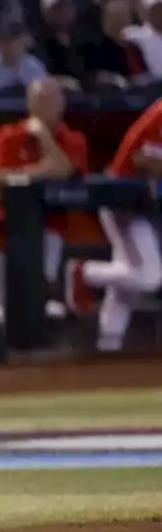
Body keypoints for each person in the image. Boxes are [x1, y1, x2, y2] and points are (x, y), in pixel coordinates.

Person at [0, 80, 88, 321]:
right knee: (3, 309)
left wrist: (43, 137)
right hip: (3, 231)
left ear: (62, 105)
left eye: (51, 101)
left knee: (40, 300)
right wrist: (39, 171)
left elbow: (65, 170)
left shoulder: (73, 139)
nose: (45, 107)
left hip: (49, 228)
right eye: (40, 101)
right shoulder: (8, 135)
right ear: (29, 104)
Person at [66, 98, 162, 352]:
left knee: (126, 278)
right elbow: (144, 159)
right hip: (123, 203)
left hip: (142, 206)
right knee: (150, 276)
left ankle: (109, 343)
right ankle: (84, 273)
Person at [0, 20, 48, 92]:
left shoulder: (33, 66)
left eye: (18, 39)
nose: (14, 44)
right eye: (8, 40)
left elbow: (45, 96)